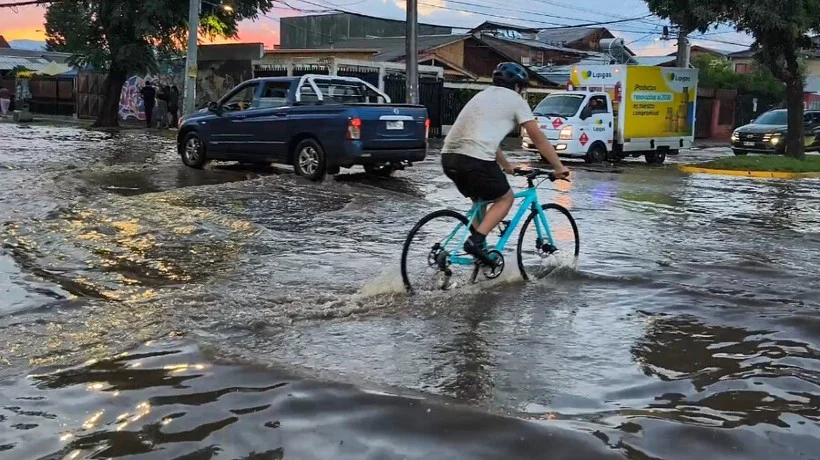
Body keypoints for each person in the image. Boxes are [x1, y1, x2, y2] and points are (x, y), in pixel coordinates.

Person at [441, 62, 570, 266]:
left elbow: (485, 141)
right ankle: (476, 242)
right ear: (518, 86)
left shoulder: (482, 96)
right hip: (475, 159)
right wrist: (559, 167)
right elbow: (538, 138)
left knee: (480, 200)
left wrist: (507, 166)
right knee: (505, 199)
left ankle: (479, 253)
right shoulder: (516, 100)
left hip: (448, 157)